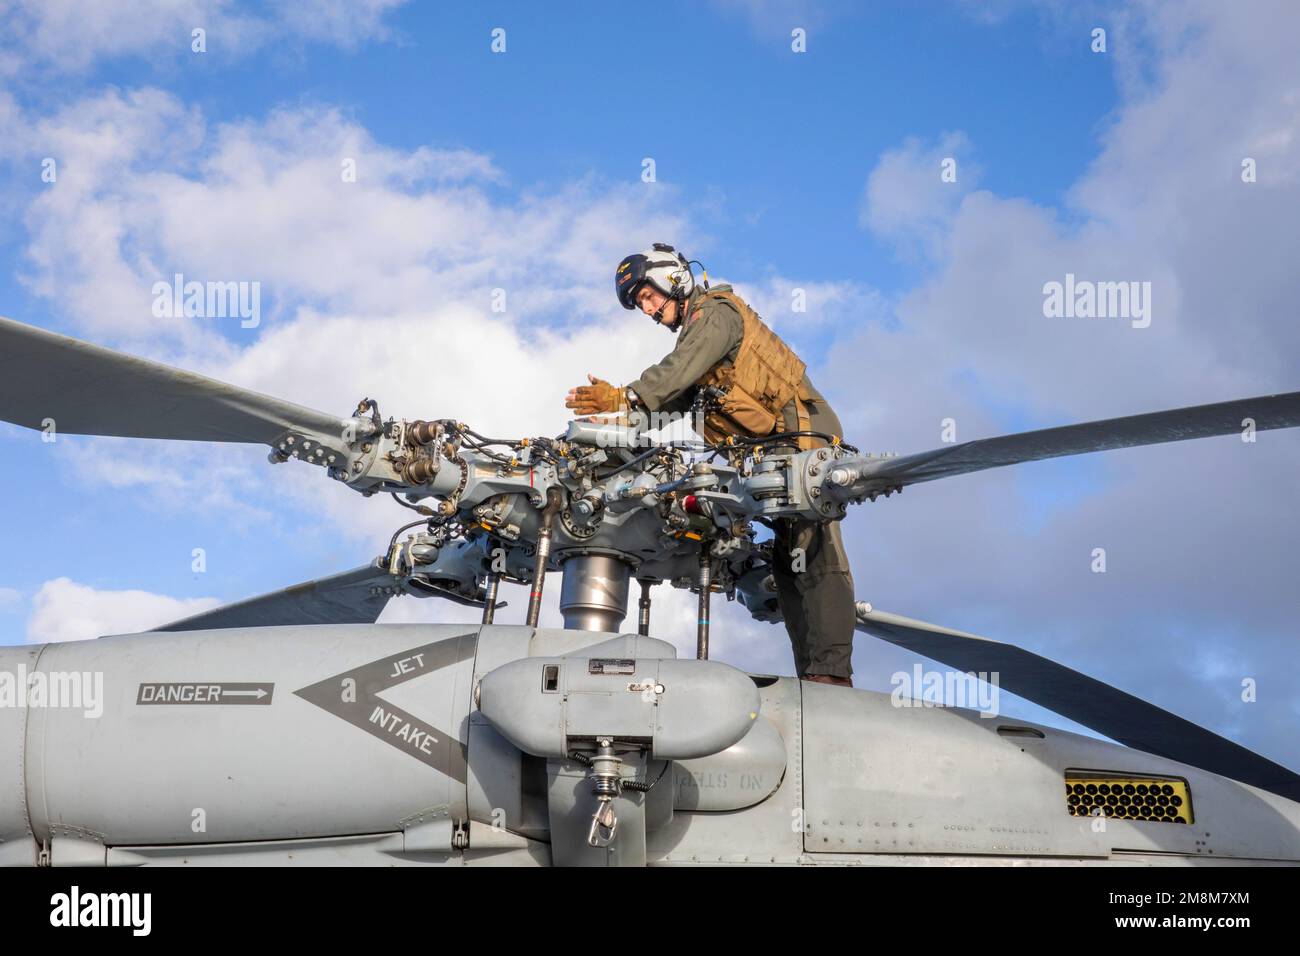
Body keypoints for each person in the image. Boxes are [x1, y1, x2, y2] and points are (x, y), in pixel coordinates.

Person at [564, 243, 856, 686]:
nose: (646, 309)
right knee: (787, 560)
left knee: (814, 550)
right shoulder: (695, 343)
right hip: (769, 453)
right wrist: (616, 423)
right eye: (640, 303)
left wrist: (629, 394)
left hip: (801, 439)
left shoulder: (716, 314)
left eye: (647, 296)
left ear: (672, 279)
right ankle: (814, 673)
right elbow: (666, 405)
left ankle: (831, 675)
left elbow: (676, 372)